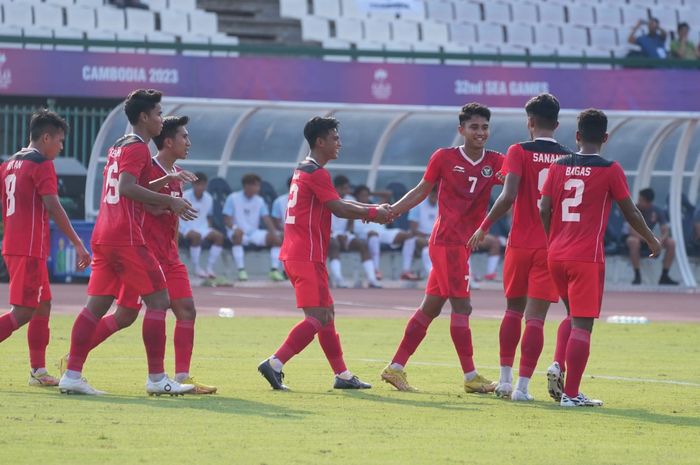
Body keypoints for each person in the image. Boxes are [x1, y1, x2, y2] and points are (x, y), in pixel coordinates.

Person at [57, 89, 198, 396]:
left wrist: (164, 187)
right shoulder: (138, 149)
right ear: (144, 117)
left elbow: (136, 184)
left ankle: (71, 374)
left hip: (104, 233)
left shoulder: (119, 146)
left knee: (96, 307)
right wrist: (169, 201)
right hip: (126, 237)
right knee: (159, 302)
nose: (161, 119)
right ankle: (158, 379)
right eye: (158, 113)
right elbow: (127, 188)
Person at [257, 116, 390, 391]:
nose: (339, 142)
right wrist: (373, 212)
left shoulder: (305, 170)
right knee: (318, 317)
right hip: (305, 255)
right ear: (320, 141)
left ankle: (342, 375)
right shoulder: (316, 172)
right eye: (334, 137)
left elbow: (337, 202)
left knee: (326, 314)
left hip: (301, 253)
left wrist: (370, 209)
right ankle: (275, 363)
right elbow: (339, 209)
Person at [540, 108, 662, 407]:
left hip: (556, 254)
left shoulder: (558, 166)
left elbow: (544, 208)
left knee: (572, 315)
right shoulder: (610, 169)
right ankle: (571, 395)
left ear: (577, 135)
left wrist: (552, 238)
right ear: (605, 137)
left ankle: (558, 362)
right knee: (583, 325)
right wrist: (650, 237)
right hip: (586, 257)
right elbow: (630, 211)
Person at [380, 103, 503, 393]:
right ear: (461, 130)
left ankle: (394, 368)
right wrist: (394, 210)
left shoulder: (498, 161)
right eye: (474, 127)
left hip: (462, 245)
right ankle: (471, 377)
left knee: (431, 307)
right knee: (463, 306)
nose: (480, 132)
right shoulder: (444, 157)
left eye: (485, 127)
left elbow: (513, 187)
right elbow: (423, 190)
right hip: (447, 242)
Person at [468, 93, 571, 401]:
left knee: (512, 311)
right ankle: (522, 389)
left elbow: (508, 194)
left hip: (520, 243)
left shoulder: (517, 150)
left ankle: (503, 380)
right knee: (536, 319)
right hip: (550, 246)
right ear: (556, 123)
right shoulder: (568, 158)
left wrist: (484, 226)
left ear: (529, 122)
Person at [0, 110, 90, 386]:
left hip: (15, 244)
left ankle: (38, 371)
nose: (61, 147)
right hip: (29, 248)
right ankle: (37, 371)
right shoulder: (41, 164)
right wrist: (77, 243)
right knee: (24, 311)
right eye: (60, 141)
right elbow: (54, 206)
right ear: (46, 137)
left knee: (43, 305)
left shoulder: (9, 164)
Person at [222, 173, 284, 282]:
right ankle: (241, 270)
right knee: (238, 235)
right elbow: (227, 219)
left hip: (254, 233)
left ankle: (274, 270)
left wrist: (274, 233)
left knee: (276, 238)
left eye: (258, 186)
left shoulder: (259, 200)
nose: (258, 188)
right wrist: (234, 227)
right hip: (236, 231)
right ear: (247, 186)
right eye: (256, 185)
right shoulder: (233, 198)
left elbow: (266, 218)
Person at [353, 185, 419, 280]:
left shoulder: (374, 206)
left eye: (367, 195)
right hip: (364, 235)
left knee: (409, 236)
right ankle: (375, 270)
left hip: (382, 233)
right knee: (373, 235)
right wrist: (354, 193)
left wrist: (369, 193)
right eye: (362, 195)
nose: (365, 197)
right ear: (356, 196)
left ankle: (406, 271)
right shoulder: (353, 208)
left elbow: (388, 194)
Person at [327, 175, 381, 288]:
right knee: (334, 245)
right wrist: (335, 235)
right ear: (337, 188)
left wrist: (347, 234)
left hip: (345, 235)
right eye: (344, 188)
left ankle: (372, 279)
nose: (347, 191)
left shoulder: (350, 199)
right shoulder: (328, 199)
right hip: (329, 235)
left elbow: (351, 222)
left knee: (363, 244)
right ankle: (339, 279)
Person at [625, 188, 678, 285]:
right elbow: (631, 231)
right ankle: (637, 275)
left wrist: (660, 240)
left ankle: (664, 276)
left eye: (641, 200)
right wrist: (649, 240)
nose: (638, 202)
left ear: (648, 202)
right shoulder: (633, 210)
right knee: (633, 241)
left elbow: (665, 230)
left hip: (649, 239)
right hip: (637, 237)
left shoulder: (657, 211)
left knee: (671, 243)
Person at [180, 173, 225, 279]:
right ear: (193, 184)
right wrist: (182, 230)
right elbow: (179, 215)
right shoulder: (184, 196)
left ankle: (209, 268)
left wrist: (208, 229)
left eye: (202, 184)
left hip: (202, 227)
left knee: (219, 237)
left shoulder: (209, 198)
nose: (200, 187)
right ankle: (196, 268)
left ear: (206, 185)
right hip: (185, 227)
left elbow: (208, 216)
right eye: (197, 184)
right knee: (196, 236)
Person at [407, 187, 438, 277]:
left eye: (436, 194)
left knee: (426, 250)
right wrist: (430, 236)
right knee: (414, 242)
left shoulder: (442, 205)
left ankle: (433, 274)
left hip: (436, 238)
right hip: (420, 237)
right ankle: (432, 275)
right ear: (429, 194)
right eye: (432, 193)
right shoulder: (418, 206)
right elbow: (414, 230)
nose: (434, 196)